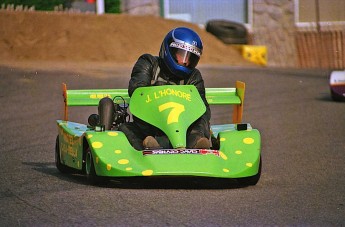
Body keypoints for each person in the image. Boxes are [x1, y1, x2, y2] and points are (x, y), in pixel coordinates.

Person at [98, 27, 211, 150]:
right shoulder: (148, 63)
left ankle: (196, 141)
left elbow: (200, 105)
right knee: (125, 128)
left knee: (202, 116)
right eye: (182, 56)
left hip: (183, 129)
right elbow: (137, 90)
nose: (186, 63)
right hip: (150, 126)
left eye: (191, 58)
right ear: (169, 51)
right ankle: (151, 145)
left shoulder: (193, 76)